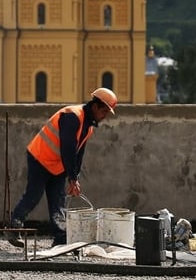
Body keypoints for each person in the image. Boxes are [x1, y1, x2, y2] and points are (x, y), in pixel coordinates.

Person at [7, 88, 117, 248]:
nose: (105, 116)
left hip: (57, 165)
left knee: (58, 201)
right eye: (104, 111)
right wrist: (72, 178)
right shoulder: (73, 116)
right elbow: (68, 149)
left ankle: (60, 239)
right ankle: (14, 227)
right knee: (33, 194)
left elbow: (78, 153)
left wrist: (75, 178)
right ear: (95, 106)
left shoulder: (88, 126)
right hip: (40, 157)